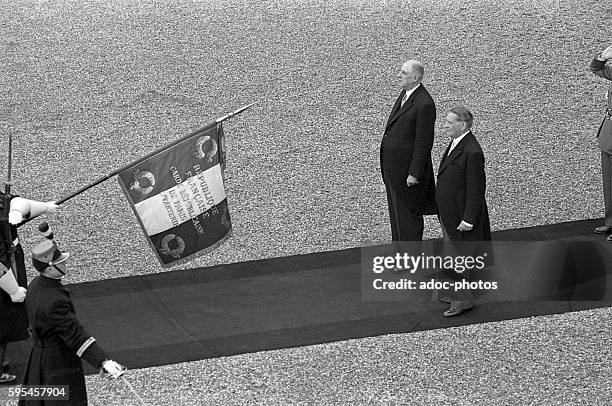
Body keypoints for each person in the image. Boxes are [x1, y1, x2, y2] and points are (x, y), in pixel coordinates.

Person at [19, 222, 125, 405]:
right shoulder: (55, 301)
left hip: (39, 356)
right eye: (61, 262)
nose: (65, 263)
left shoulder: (36, 285)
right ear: (51, 267)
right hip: (57, 362)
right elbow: (75, 335)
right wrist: (103, 362)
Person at [435, 107, 491, 317]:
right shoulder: (458, 143)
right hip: (450, 212)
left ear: (463, 125)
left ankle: (461, 303)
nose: (446, 125)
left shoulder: (472, 151)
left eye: (450, 122)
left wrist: (468, 219)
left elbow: (476, 188)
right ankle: (451, 295)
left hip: (460, 215)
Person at [0, 194, 57, 383]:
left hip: (10, 258)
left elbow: (16, 203)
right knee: (3, 321)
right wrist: (13, 290)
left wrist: (44, 206)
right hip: (6, 269)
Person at [380, 59, 437, 244]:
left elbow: (424, 142)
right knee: (397, 217)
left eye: (403, 72)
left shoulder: (424, 103)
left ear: (415, 77)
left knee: (408, 219)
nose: (399, 75)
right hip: (394, 171)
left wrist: (414, 173)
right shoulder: (406, 95)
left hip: (407, 175)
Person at [590, 44, 612, 241]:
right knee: (609, 182)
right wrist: (603, 56)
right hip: (609, 133)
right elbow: (596, 68)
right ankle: (610, 222)